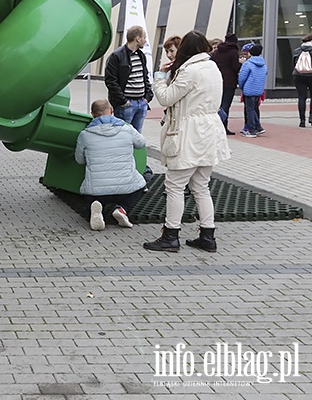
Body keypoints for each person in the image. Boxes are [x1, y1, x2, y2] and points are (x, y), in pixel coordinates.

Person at [144, 31, 231, 253]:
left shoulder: (190, 71)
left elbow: (165, 98)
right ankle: (207, 236)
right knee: (201, 186)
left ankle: (171, 236)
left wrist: (160, 78)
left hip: (189, 133)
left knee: (175, 185)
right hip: (210, 130)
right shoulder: (212, 67)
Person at [74, 99, 146, 231]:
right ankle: (122, 210)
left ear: (93, 114)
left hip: (96, 191)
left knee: (93, 194)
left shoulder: (85, 135)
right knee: (140, 185)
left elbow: (79, 160)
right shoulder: (127, 129)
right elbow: (141, 143)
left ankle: (96, 207)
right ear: (112, 110)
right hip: (126, 189)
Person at [104, 25, 153, 133]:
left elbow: (145, 77)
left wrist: (148, 96)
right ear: (138, 38)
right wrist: (123, 100)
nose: (145, 41)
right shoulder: (116, 56)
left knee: (136, 136)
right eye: (144, 38)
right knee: (121, 135)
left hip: (141, 102)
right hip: (126, 104)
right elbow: (110, 81)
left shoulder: (141, 56)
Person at [211, 33, 241, 135]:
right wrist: (241, 64)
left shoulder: (217, 51)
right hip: (229, 81)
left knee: (218, 104)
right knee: (226, 105)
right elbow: (235, 67)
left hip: (217, 79)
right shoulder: (233, 51)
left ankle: (215, 126)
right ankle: (223, 126)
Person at [237, 44, 267, 138]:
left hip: (249, 89)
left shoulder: (247, 63)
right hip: (258, 90)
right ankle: (258, 127)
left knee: (249, 110)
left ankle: (252, 130)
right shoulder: (263, 64)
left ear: (250, 53)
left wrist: (242, 87)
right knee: (254, 109)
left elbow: (242, 77)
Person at [292, 33, 312, 127]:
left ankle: (302, 121)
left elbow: (294, 63)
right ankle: (311, 118)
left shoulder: (297, 50)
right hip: (311, 75)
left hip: (298, 75)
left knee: (301, 98)